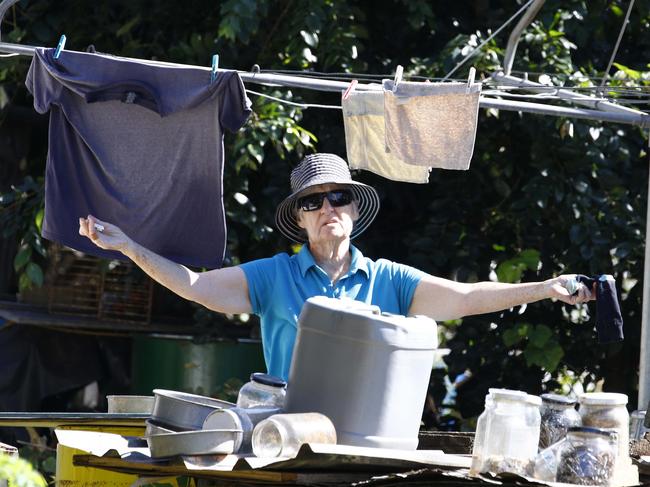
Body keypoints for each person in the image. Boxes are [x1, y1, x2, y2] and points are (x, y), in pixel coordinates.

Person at [79, 153, 594, 381]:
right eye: (313, 202)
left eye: (338, 198)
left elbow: (463, 299)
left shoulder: (389, 279)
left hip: (363, 439)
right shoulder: (272, 276)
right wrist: (128, 246)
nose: (328, 208)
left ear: (353, 210)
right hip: (288, 441)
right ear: (299, 219)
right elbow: (193, 286)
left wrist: (546, 288)